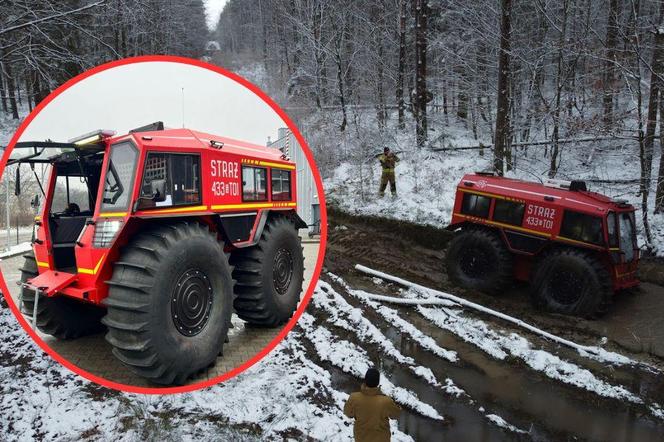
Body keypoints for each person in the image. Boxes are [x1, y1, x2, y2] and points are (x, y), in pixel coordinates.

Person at [343, 368, 401, 441]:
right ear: (378, 382)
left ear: (365, 381)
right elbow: (396, 415)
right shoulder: (386, 401)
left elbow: (347, 413)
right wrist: (398, 406)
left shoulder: (354, 398)